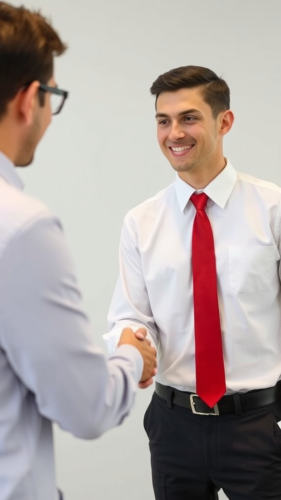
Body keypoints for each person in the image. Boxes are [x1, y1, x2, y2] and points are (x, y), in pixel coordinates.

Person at [0, 3, 157, 500]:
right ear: (31, 99)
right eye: (52, 96)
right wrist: (129, 357)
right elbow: (86, 408)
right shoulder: (23, 228)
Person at [104, 65, 281, 500]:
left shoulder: (273, 209)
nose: (173, 133)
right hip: (174, 425)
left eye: (188, 118)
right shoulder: (141, 222)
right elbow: (131, 315)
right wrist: (130, 344)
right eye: (163, 121)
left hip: (260, 425)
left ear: (225, 122)